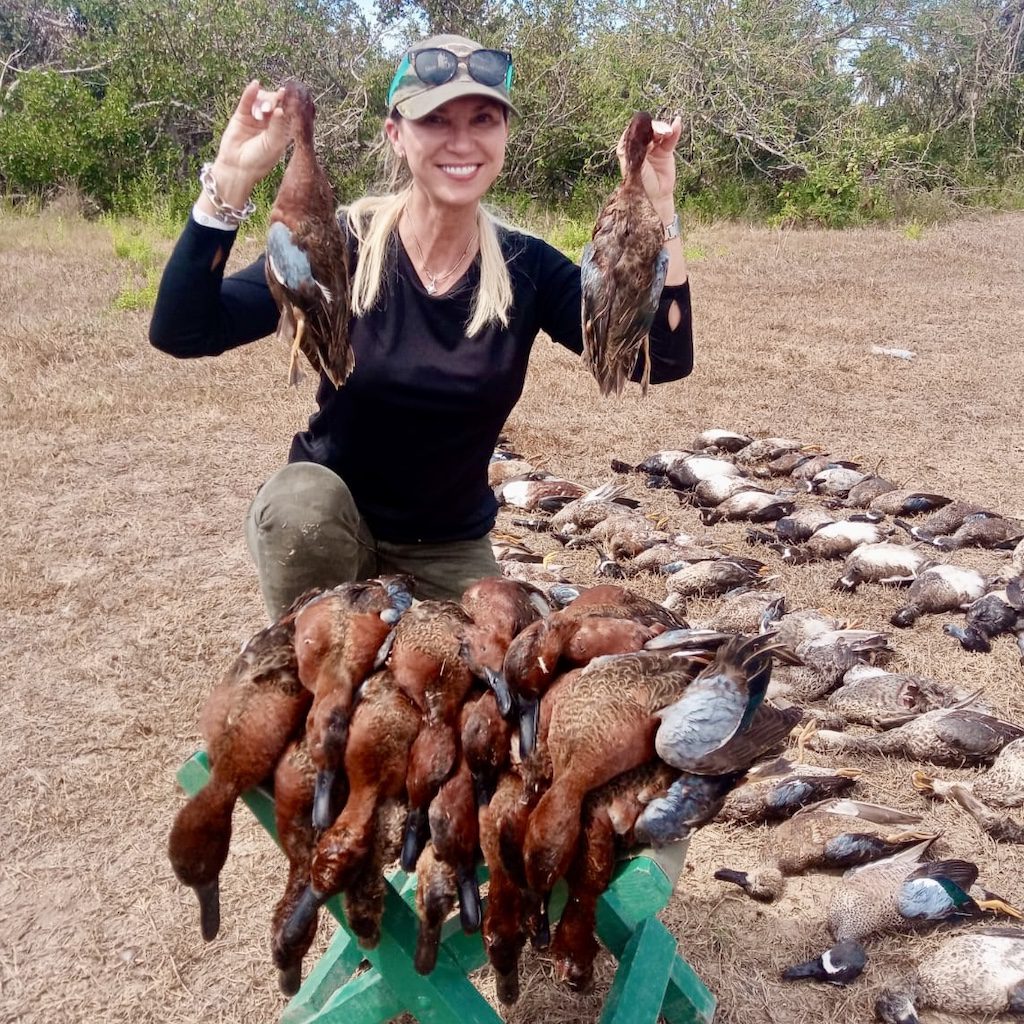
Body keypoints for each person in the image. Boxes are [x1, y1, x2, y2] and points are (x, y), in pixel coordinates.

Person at [149, 33, 694, 620]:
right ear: (397, 135)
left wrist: (658, 207)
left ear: (504, 136)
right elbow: (185, 329)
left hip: (448, 548)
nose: (461, 140)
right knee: (300, 505)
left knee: (488, 687)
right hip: (333, 529)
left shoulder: (526, 268)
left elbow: (661, 361)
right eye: (435, 119)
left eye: (483, 118)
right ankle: (311, 646)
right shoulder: (340, 243)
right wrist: (229, 180)